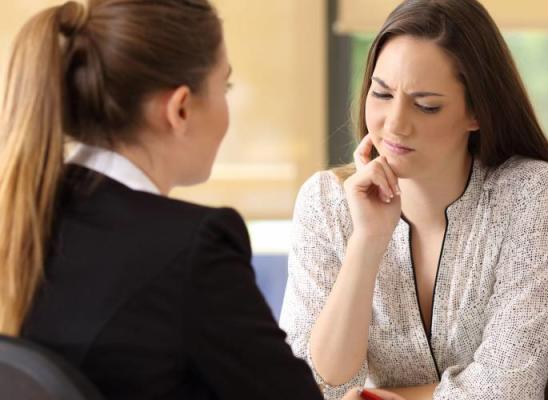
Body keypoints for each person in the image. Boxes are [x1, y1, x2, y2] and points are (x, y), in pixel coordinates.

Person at [0, 1, 324, 398]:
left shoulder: (21, 216)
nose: (227, 106)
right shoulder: (193, 249)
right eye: (225, 86)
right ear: (181, 108)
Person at [278, 1, 548, 399]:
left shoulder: (531, 194)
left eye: (426, 105)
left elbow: (510, 387)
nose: (395, 124)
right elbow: (313, 385)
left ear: (476, 111)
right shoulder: (323, 202)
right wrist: (367, 241)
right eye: (382, 94)